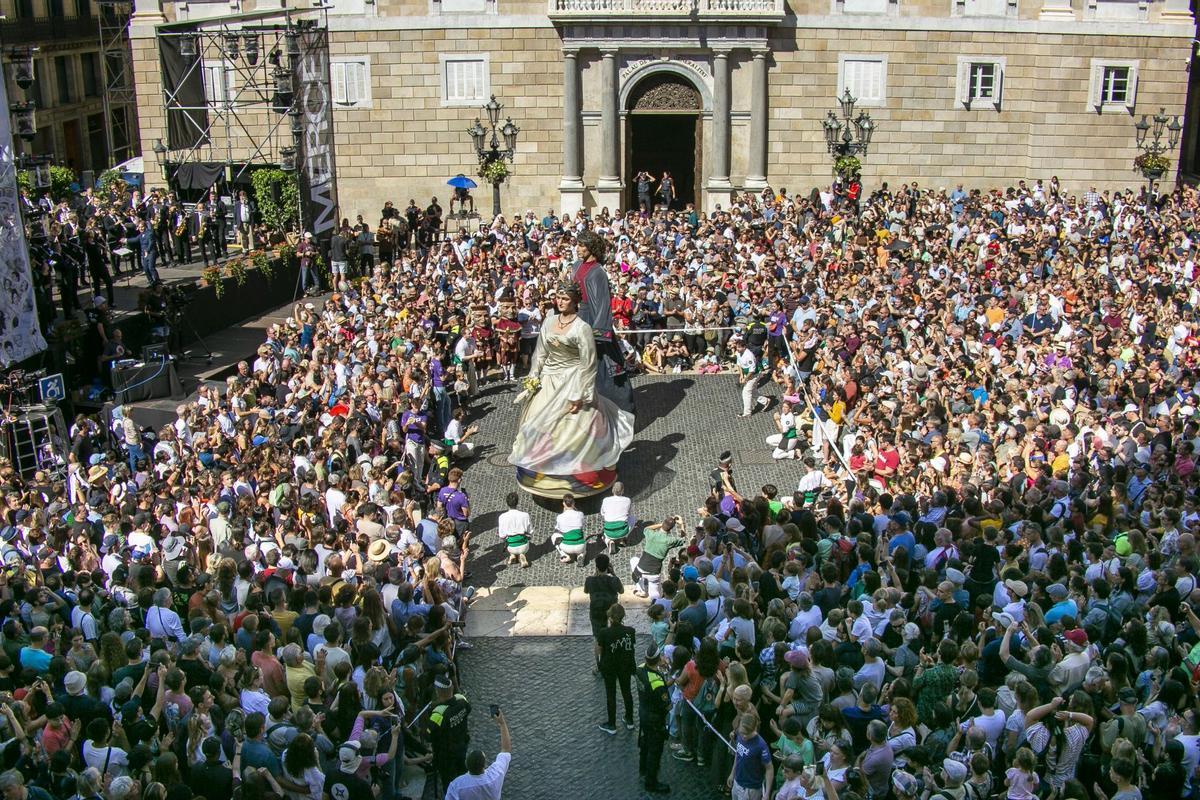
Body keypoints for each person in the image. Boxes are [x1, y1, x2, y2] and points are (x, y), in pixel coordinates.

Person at [508, 281, 634, 498]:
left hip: (573, 380)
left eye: (565, 298)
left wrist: (582, 394)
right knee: (537, 424)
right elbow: (540, 353)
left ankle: (577, 477)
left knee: (576, 428)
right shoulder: (548, 322)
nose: (560, 302)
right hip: (549, 380)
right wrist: (533, 378)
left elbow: (588, 363)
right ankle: (542, 474)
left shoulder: (581, 328)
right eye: (558, 297)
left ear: (575, 302)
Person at [445, 708, 511, 800]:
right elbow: (506, 749)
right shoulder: (495, 775)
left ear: (466, 764)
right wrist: (502, 724)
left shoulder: (457, 785)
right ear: (484, 765)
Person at [595, 603, 636, 735]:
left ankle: (612, 724)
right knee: (627, 692)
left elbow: (598, 651)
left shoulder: (604, 633)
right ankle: (629, 719)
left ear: (610, 617)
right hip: (626, 665)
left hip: (610, 666)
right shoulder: (630, 631)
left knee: (611, 694)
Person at [636, 643, 671, 794]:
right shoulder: (657, 682)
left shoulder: (640, 668)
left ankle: (642, 768)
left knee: (645, 743)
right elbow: (666, 705)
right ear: (658, 659)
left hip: (643, 711)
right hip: (655, 719)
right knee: (655, 750)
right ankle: (651, 781)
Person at [426, 677, 472, 793]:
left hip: (446, 753)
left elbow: (429, 735)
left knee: (448, 780)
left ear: (437, 692)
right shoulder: (461, 700)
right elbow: (468, 709)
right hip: (462, 744)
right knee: (462, 770)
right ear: (451, 688)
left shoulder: (438, 713)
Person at [496, 491, 532, 568]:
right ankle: (521, 555)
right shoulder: (525, 515)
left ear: (507, 503)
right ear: (517, 502)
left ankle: (512, 555)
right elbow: (530, 532)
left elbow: (502, 535)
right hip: (524, 546)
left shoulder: (502, 517)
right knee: (524, 539)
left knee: (507, 538)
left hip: (511, 547)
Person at [599, 481, 635, 552]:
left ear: (612, 490)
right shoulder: (627, 500)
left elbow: (602, 513)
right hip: (623, 531)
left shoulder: (605, 500)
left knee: (603, 535)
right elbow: (629, 514)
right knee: (633, 518)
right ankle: (622, 539)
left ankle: (609, 542)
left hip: (609, 531)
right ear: (623, 490)